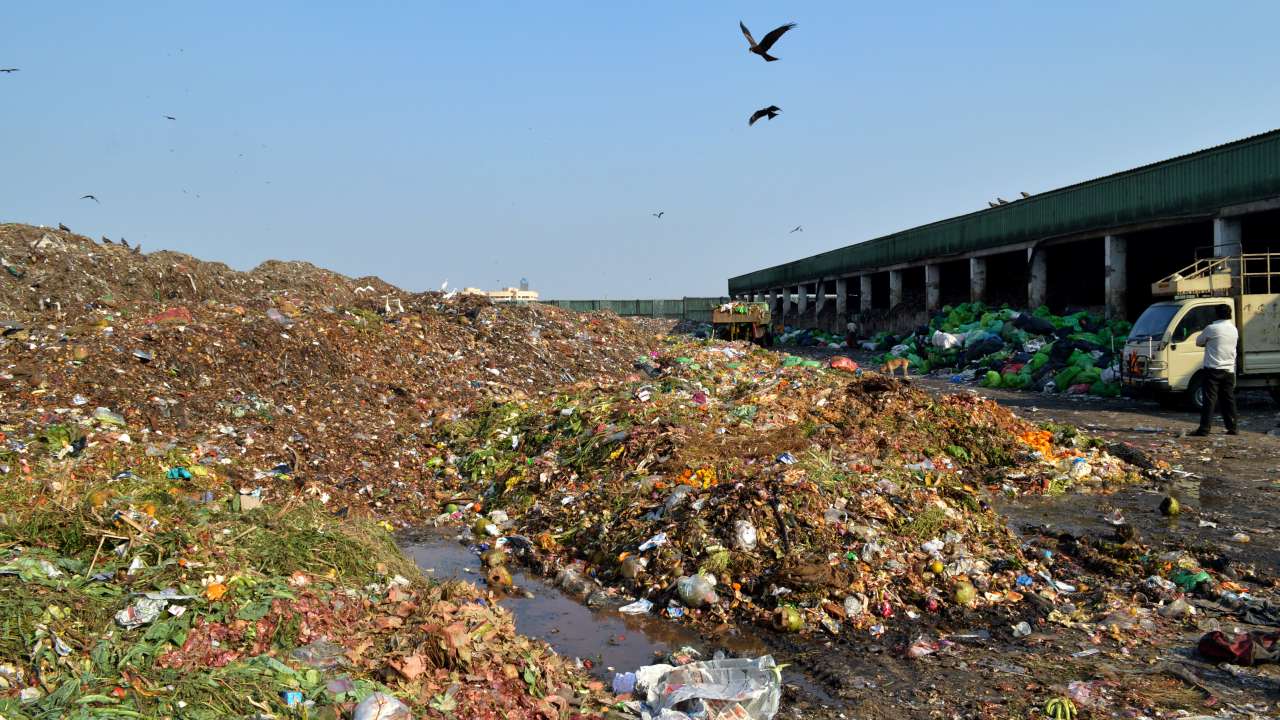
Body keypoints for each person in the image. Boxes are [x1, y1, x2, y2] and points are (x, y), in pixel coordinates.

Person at [1192, 304, 1238, 436]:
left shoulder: (1211, 328)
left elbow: (1199, 342)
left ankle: (1204, 429)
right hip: (1229, 369)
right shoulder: (1234, 329)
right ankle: (1233, 427)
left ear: (1217, 314)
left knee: (1209, 400)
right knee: (1228, 399)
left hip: (1212, 369)